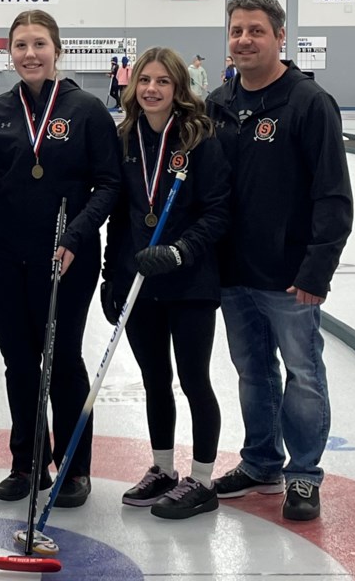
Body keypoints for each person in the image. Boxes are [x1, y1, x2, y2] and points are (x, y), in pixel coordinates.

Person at [0, 9, 123, 508]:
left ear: (57, 49)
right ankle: (26, 463)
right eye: (20, 46)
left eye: (39, 44)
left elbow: (110, 183)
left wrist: (77, 235)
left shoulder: (88, 110)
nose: (29, 54)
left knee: (63, 361)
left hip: (67, 255)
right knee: (19, 363)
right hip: (5, 255)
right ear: (9, 53)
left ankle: (74, 466)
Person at [207, 0, 353, 522]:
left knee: (303, 373)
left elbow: (333, 196)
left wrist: (317, 269)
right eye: (236, 30)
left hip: (290, 278)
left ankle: (304, 475)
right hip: (233, 272)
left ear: (279, 37)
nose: (244, 39)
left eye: (256, 30)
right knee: (251, 372)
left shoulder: (309, 103)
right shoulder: (219, 103)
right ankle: (262, 461)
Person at [101, 47, 230, 520]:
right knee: (155, 379)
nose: (152, 89)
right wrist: (110, 276)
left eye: (163, 81)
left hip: (190, 280)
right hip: (141, 282)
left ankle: (201, 478)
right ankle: (162, 470)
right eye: (145, 81)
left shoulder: (200, 138)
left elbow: (218, 210)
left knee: (194, 378)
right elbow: (118, 215)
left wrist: (180, 251)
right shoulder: (125, 138)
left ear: (179, 88)